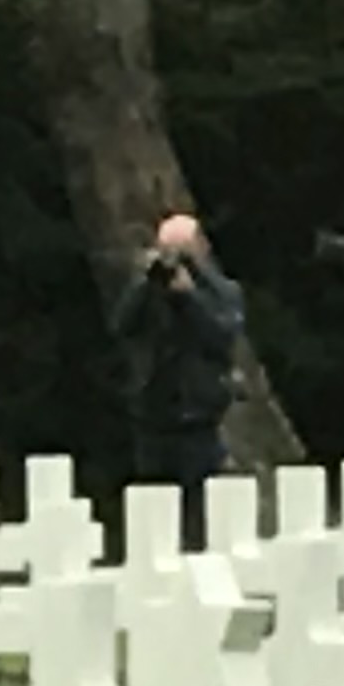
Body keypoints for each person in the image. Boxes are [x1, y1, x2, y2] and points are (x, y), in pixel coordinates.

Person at [114, 211, 248, 500]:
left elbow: (221, 336)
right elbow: (123, 325)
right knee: (153, 502)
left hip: (200, 417)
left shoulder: (221, 290)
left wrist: (188, 297)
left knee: (201, 500)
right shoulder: (150, 292)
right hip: (153, 414)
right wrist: (147, 282)